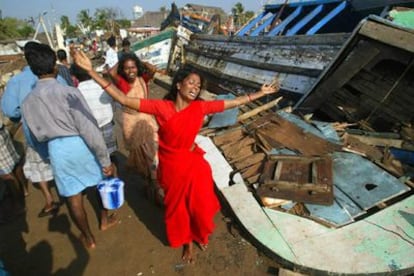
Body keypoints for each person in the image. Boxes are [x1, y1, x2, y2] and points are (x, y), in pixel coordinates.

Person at [72, 48, 280, 262]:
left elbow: (233, 103)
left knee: (199, 207)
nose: (195, 87)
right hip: (172, 167)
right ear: (179, 85)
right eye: (191, 82)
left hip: (194, 165)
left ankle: (198, 233)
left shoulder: (200, 107)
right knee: (178, 209)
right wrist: (92, 71)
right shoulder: (161, 107)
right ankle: (187, 242)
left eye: (198, 85)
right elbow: (124, 100)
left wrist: (260, 94)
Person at [22, 43, 117, 249]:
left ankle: (88, 237)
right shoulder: (68, 92)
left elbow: (32, 137)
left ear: (32, 70)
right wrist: (104, 159)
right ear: (55, 67)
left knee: (73, 197)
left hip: (57, 149)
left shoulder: (28, 101)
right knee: (100, 183)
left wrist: (48, 155)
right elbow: (89, 128)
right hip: (80, 143)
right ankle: (104, 220)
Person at [1, 41, 65, 218]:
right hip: (60, 131)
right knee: (60, 162)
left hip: (34, 133)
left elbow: (9, 110)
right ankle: (66, 192)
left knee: (39, 168)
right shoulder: (55, 76)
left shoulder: (16, 81)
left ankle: (49, 199)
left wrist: (21, 115)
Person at [108, 53, 159, 187]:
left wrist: (137, 60)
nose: (131, 71)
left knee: (153, 151)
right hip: (130, 123)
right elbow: (111, 72)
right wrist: (123, 58)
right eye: (127, 68)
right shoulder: (122, 83)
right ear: (122, 70)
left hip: (147, 120)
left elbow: (153, 69)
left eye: (133, 67)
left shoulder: (143, 79)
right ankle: (150, 183)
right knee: (141, 156)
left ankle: (154, 181)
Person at [70, 64, 119, 177]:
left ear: (75, 76)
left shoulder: (75, 93)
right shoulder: (103, 86)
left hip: (89, 130)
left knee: (96, 158)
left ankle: (101, 184)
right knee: (110, 155)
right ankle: (115, 179)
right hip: (107, 125)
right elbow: (114, 104)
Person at [0, 112, 25, 224]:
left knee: (6, 174)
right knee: (14, 164)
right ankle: (24, 190)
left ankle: (18, 205)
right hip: (2, 131)